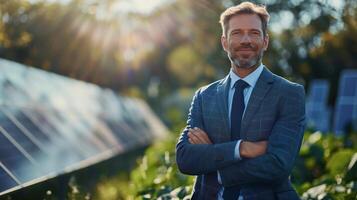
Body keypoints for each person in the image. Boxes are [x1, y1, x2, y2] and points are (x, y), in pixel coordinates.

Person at [175, 2, 305, 200]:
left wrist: (216, 162)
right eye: (237, 33)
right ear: (225, 42)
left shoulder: (289, 94)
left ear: (265, 41)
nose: (246, 40)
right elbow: (186, 159)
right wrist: (242, 148)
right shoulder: (204, 96)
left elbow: (278, 164)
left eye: (254, 33)